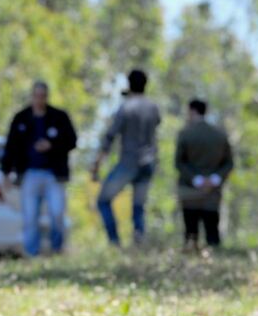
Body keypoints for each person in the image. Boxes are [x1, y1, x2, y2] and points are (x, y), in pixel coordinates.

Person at [1, 80, 77, 256]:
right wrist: (6, 172)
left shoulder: (59, 117)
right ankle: (31, 253)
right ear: (32, 96)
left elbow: (72, 141)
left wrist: (52, 145)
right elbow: (10, 146)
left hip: (53, 175)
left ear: (46, 97)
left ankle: (57, 250)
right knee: (30, 217)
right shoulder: (21, 118)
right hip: (29, 174)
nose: (39, 100)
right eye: (36, 96)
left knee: (57, 214)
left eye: (42, 96)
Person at [91, 69, 161, 246]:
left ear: (129, 84)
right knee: (138, 206)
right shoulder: (153, 107)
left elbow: (110, 136)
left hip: (130, 162)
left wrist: (97, 163)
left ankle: (114, 241)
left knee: (103, 200)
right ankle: (139, 239)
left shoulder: (126, 107)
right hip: (149, 162)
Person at [175, 99, 233, 250]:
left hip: (189, 191)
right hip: (212, 193)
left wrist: (196, 179)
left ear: (192, 111)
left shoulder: (185, 133)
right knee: (212, 231)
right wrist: (215, 179)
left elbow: (179, 163)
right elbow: (228, 163)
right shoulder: (220, 134)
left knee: (190, 233)